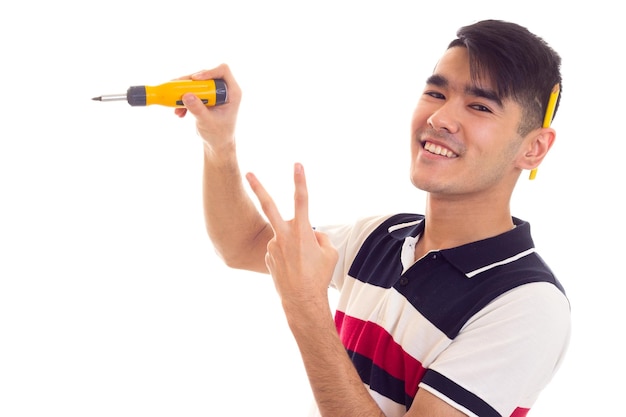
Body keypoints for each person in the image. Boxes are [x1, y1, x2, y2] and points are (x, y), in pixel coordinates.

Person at [175, 19, 571, 417]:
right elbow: (243, 245)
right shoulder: (382, 236)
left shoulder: (528, 304)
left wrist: (305, 308)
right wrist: (219, 143)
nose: (440, 118)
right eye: (436, 92)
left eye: (480, 106)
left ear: (534, 148)